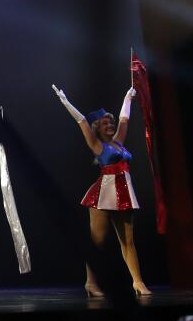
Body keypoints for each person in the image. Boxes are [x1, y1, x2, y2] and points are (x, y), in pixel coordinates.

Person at [52, 84, 152, 297]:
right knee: (97, 241)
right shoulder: (97, 145)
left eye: (111, 121)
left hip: (124, 192)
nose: (111, 123)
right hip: (103, 194)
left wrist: (127, 96)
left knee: (128, 240)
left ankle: (138, 281)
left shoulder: (118, 142)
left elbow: (125, 118)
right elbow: (81, 121)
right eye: (106, 122)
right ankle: (90, 283)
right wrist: (65, 101)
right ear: (97, 127)